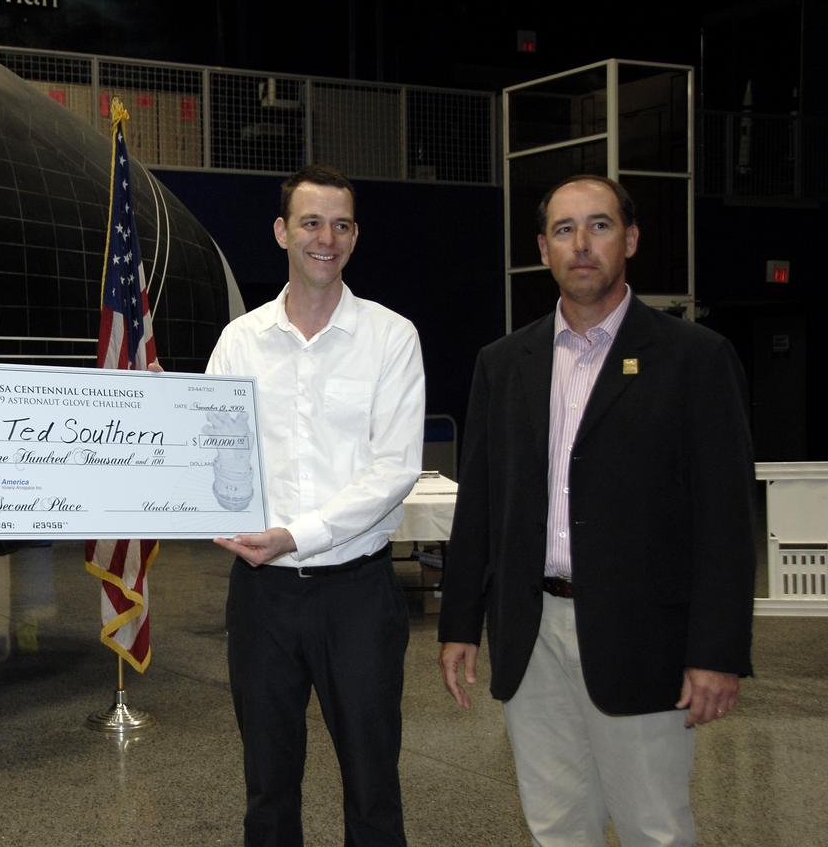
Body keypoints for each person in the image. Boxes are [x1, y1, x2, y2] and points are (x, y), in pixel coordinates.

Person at [438, 175, 755, 846]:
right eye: (563, 230)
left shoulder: (693, 359)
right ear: (542, 250)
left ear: (631, 239)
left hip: (645, 639)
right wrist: (460, 622)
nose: (582, 244)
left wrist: (717, 653)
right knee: (555, 825)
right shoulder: (504, 363)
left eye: (600, 226)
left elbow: (727, 520)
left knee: (654, 828)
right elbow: (482, 504)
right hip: (531, 632)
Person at [206, 164, 425, 846]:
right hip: (261, 599)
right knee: (267, 787)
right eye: (310, 222)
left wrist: (295, 535)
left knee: (371, 784)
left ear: (354, 237)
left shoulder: (391, 338)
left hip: (357, 596)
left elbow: (392, 471)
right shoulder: (240, 340)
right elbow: (211, 445)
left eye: (341, 224)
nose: (325, 237)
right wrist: (164, 419)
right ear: (281, 231)